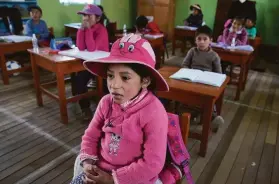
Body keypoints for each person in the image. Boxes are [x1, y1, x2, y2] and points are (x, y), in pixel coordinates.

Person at [70, 34, 184, 184]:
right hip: (101, 169)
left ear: (145, 81)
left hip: (134, 178)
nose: (114, 85)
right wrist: (88, 163)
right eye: (110, 76)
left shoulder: (154, 112)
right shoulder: (105, 103)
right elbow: (91, 136)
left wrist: (113, 179)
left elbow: (152, 163)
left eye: (125, 78)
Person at [182, 25, 224, 131]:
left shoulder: (214, 56)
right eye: (199, 39)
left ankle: (213, 117)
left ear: (211, 40)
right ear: (195, 40)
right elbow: (185, 64)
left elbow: (219, 73)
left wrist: (209, 77)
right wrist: (189, 72)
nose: (201, 42)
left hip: (206, 81)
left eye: (205, 39)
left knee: (208, 97)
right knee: (188, 95)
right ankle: (192, 112)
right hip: (192, 79)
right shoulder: (192, 51)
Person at [75, 4, 109, 121]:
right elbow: (80, 47)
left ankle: (107, 109)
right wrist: (81, 30)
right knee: (79, 80)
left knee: (106, 86)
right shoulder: (85, 28)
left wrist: (88, 30)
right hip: (89, 63)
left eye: (89, 16)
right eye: (84, 15)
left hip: (101, 65)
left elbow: (92, 49)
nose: (85, 18)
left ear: (98, 18)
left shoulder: (102, 30)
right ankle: (85, 108)